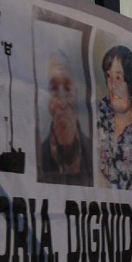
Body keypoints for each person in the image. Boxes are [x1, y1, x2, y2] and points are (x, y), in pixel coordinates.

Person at [97, 45, 132, 190]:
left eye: (118, 77)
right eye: (109, 76)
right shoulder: (101, 109)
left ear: (130, 81)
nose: (112, 85)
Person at [38, 50, 92, 186]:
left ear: (77, 94)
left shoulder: (95, 153)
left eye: (67, 88)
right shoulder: (38, 157)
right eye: (54, 88)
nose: (62, 100)